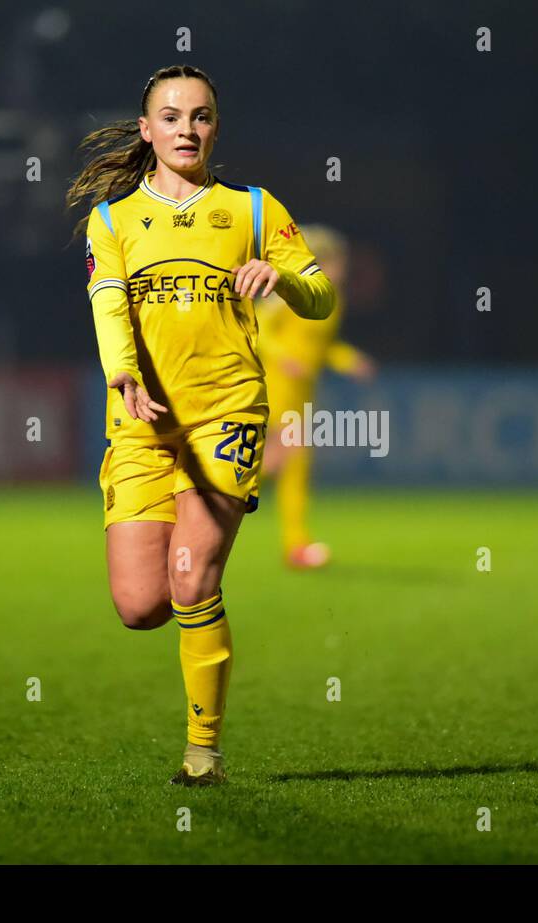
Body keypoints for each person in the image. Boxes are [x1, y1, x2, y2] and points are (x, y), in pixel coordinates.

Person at [65, 65, 336, 785]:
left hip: (227, 412)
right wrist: (122, 372)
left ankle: (202, 753)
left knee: (191, 578)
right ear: (147, 129)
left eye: (202, 116)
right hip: (142, 422)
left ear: (216, 128)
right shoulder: (113, 220)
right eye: (173, 116)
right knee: (140, 604)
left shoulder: (252, 210)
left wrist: (284, 278)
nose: (188, 129)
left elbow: (321, 295)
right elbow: (108, 304)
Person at [256, 224, 374, 568]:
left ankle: (296, 544)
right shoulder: (292, 291)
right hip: (275, 384)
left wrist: (350, 361)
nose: (343, 269)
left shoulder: (333, 300)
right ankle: (202, 498)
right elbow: (258, 327)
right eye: (337, 262)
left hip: (303, 392)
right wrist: (283, 358)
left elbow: (321, 348)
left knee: (291, 466)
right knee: (284, 461)